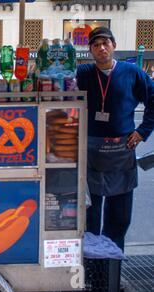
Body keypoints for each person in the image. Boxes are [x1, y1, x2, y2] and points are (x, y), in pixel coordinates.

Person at [77, 27, 154, 251]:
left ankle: (112, 266)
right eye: (96, 44)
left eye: (105, 43)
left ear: (114, 46)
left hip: (122, 150)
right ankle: (91, 271)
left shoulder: (133, 73)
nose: (101, 48)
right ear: (90, 50)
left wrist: (143, 131)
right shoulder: (82, 74)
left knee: (118, 217)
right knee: (88, 214)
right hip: (89, 152)